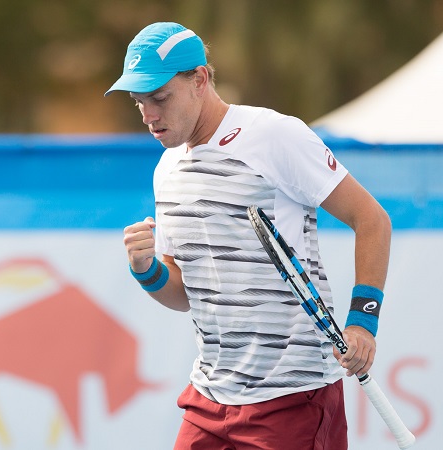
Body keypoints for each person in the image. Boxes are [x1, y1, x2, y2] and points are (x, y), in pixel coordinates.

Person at [106, 22, 391, 450]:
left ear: (199, 80)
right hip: (209, 398)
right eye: (139, 102)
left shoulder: (274, 135)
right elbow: (187, 294)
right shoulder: (165, 170)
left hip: (292, 398)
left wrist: (363, 324)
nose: (149, 115)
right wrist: (147, 271)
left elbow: (371, 219)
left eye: (160, 98)